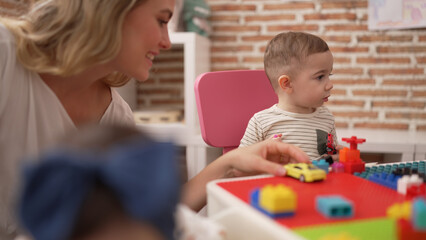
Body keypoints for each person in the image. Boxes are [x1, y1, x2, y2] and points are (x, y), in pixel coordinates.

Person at [0, 1, 310, 239]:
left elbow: (134, 218)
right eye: (161, 21)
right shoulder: (6, 57)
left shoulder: (117, 114)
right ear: (112, 10)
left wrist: (231, 164)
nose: (165, 40)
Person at [239, 32, 341, 161]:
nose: (330, 85)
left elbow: (331, 157)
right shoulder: (261, 122)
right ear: (286, 84)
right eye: (320, 77)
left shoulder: (326, 118)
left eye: (329, 75)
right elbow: (239, 163)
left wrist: (337, 158)